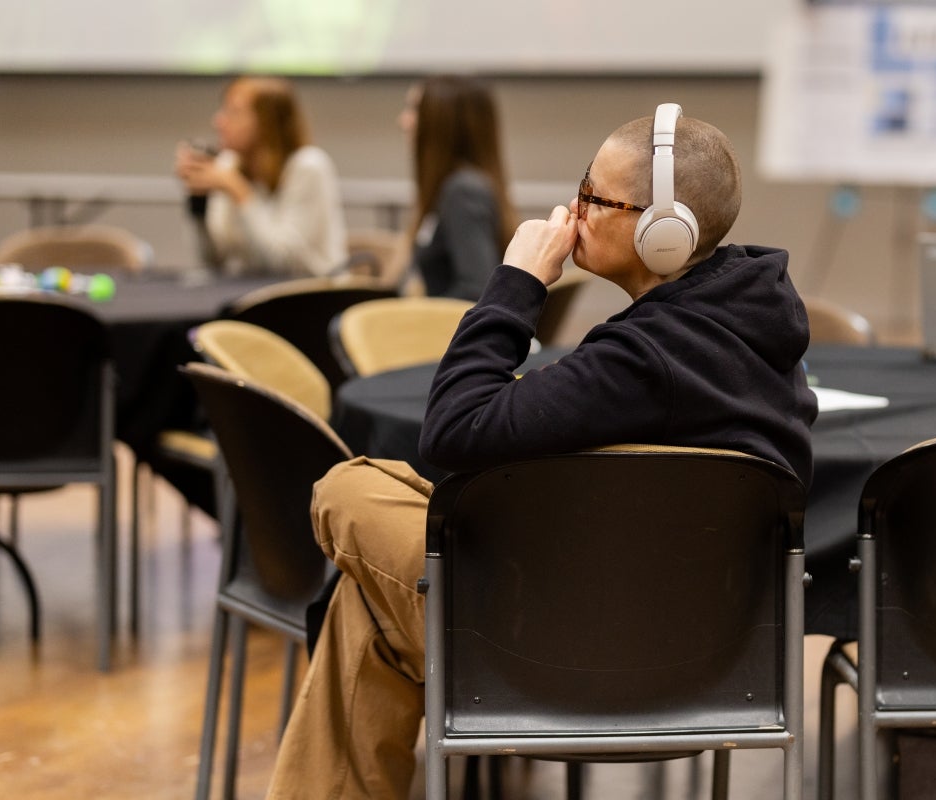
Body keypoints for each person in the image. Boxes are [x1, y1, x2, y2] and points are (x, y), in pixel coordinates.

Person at [265, 104, 818, 799]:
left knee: (349, 488)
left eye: (594, 197)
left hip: (571, 649)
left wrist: (517, 282)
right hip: (716, 652)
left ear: (664, 232)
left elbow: (453, 428)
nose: (572, 208)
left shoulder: (640, 361)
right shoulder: (753, 326)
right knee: (367, 603)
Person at [174, 75, 347, 277]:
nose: (218, 121)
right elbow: (212, 260)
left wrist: (239, 191)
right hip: (250, 296)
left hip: (312, 298)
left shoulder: (308, 166)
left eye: (234, 112)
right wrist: (198, 202)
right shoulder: (230, 165)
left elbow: (281, 263)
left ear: (267, 122)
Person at [400, 74, 518, 299]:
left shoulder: (464, 191)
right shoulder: (457, 186)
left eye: (415, 109)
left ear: (443, 122)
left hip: (447, 331)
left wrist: (414, 318)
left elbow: (477, 291)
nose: (403, 121)